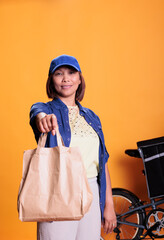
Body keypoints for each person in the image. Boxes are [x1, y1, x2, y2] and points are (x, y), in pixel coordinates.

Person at [30, 54, 116, 240]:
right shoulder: (46, 109)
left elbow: (103, 161)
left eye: (71, 73)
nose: (66, 78)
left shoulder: (92, 117)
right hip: (58, 190)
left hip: (92, 189)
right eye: (58, 74)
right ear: (51, 81)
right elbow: (36, 112)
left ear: (79, 79)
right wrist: (41, 119)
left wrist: (109, 204)